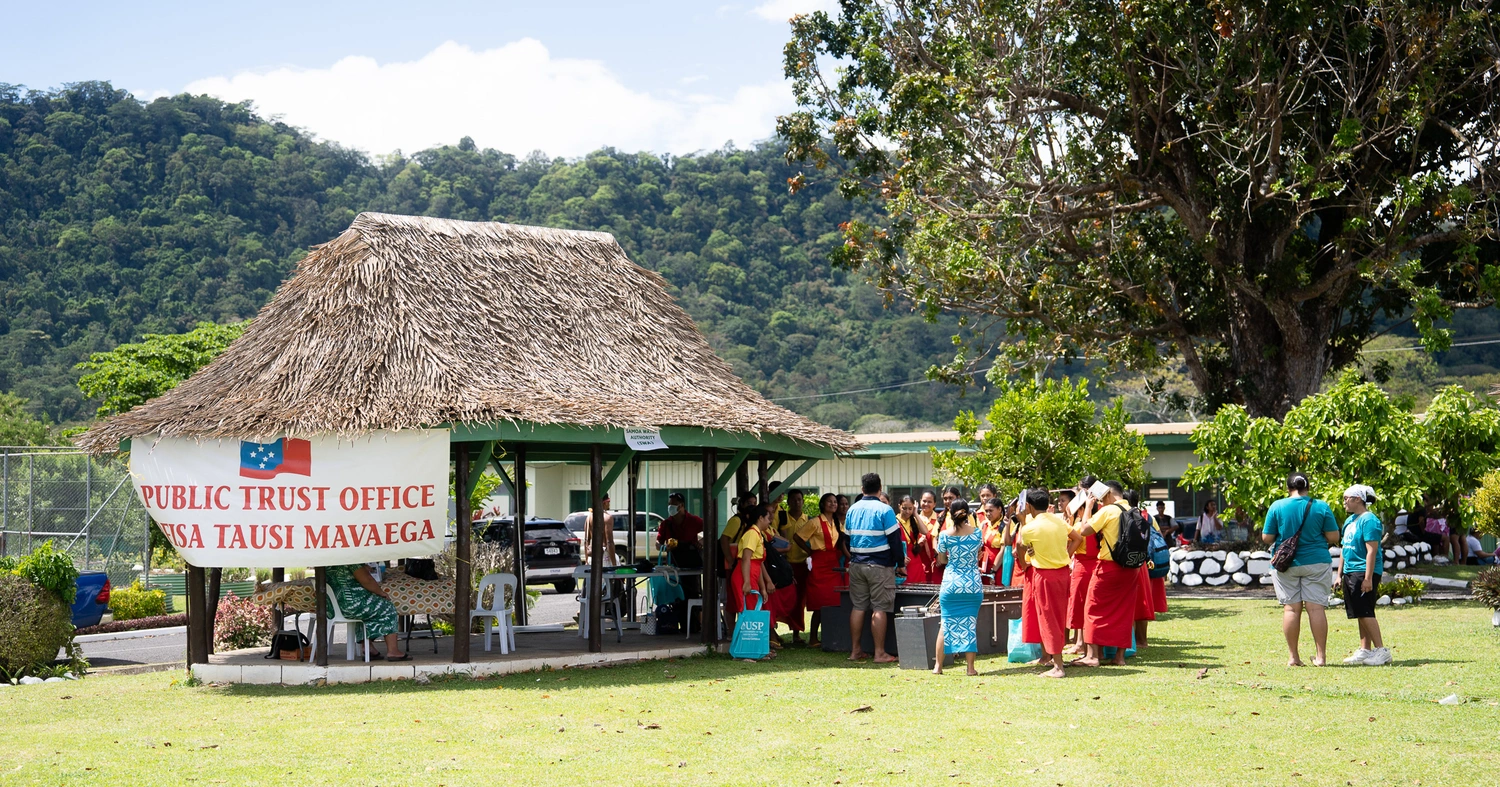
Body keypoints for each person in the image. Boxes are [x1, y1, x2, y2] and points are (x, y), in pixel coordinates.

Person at [1260, 473, 1340, 667]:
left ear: (1288, 488)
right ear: (1308, 487)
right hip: (1317, 562)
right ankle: (1320, 657)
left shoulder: (1277, 506)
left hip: (1286, 564)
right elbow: (1333, 536)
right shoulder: (1321, 506)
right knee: (1316, 608)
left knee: (1291, 609)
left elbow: (1267, 538)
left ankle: (1294, 658)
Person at [1069, 480, 1139, 667]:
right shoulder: (1134, 510)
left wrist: (1089, 508)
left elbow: (1084, 530)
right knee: (1124, 611)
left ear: (1107, 494)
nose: (1100, 501)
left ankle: (1092, 656)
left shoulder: (1109, 511)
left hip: (1108, 567)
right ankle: (1119, 657)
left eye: (1100, 498)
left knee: (1092, 608)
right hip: (1131, 567)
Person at [844, 473, 904, 664]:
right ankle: (880, 653)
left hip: (856, 564)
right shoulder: (884, 510)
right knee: (880, 607)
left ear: (862, 489)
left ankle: (855, 651)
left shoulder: (852, 509)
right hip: (879, 566)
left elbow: (846, 539)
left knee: (859, 606)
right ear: (880, 489)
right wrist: (900, 564)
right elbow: (895, 541)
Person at [1016, 488, 1071, 678]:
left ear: (1029, 506)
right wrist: (1065, 556)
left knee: (1048, 618)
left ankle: (1058, 666)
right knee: (1058, 617)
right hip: (1063, 573)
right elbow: (1077, 538)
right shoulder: (1059, 521)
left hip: (1044, 576)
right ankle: (1055, 660)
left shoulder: (1029, 527)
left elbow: (1019, 546)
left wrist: (1024, 564)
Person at [1339, 485, 1390, 666]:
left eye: (1347, 498)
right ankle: (1365, 650)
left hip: (1364, 571)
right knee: (1359, 612)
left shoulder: (1369, 520)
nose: (1344, 501)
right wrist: (1339, 574)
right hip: (1350, 571)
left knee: (1366, 611)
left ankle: (1381, 650)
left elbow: (1371, 551)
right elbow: (1344, 549)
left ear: (1358, 499)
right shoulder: (1350, 521)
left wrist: (1368, 578)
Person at [932, 498, 982, 676]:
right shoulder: (977, 533)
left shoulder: (944, 535)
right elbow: (978, 554)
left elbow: (941, 560)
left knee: (945, 624)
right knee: (970, 624)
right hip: (972, 584)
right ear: (967, 513)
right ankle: (970, 668)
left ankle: (938, 667)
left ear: (950, 514)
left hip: (951, 583)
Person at [325, 564, 408, 661]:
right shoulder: (351, 559)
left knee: (367, 609)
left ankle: (368, 647)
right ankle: (393, 651)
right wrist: (381, 593)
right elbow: (367, 580)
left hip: (332, 607)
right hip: (351, 605)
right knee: (387, 607)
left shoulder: (327, 559)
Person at [795, 493, 843, 647]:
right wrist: (809, 552)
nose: (833, 504)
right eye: (829, 502)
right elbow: (797, 537)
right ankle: (813, 637)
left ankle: (831, 635)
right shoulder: (815, 522)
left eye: (835, 502)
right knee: (820, 603)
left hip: (833, 564)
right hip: (820, 563)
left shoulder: (837, 523)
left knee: (834, 600)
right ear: (822, 504)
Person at [731, 503, 777, 657]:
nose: (769, 521)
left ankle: (758, 649)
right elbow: (746, 559)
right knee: (747, 613)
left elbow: (759, 563)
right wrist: (746, 582)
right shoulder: (751, 534)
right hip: (745, 575)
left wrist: (763, 587)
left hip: (752, 575)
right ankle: (746, 651)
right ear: (760, 518)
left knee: (755, 613)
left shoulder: (758, 534)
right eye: (767, 518)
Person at [1064, 479, 1099, 656]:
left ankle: (1080, 643)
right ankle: (1081, 642)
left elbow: (1069, 545)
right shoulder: (1097, 523)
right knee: (1089, 605)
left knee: (1079, 604)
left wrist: (1068, 521)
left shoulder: (1079, 526)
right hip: (1095, 566)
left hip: (1082, 567)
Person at [778, 490, 812, 643]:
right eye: (793, 500)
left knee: (800, 600)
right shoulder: (782, 518)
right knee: (786, 599)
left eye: (799, 499)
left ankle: (796, 633)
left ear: (803, 501)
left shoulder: (809, 520)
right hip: (787, 564)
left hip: (803, 564)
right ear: (788, 502)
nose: (797, 502)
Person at [657, 492, 704, 598]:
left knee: (693, 595)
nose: (670, 507)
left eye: (673, 504)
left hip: (691, 566)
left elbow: (711, 528)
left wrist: (701, 542)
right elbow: (657, 544)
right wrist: (664, 548)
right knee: (675, 597)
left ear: (681, 506)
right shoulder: (666, 524)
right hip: (673, 566)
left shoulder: (693, 520)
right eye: (669, 504)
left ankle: (695, 614)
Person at [896, 495, 932, 584]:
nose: (907, 512)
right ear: (899, 506)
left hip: (915, 560)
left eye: (910, 508)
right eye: (904, 508)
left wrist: (915, 513)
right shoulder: (894, 521)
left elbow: (924, 531)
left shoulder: (914, 521)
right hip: (902, 560)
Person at [582, 493, 617, 567]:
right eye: (608, 502)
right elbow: (609, 542)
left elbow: (586, 540)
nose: (609, 504)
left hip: (592, 555)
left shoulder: (589, 517)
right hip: (604, 555)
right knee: (607, 578)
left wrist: (586, 559)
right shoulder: (607, 518)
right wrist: (614, 564)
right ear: (604, 503)